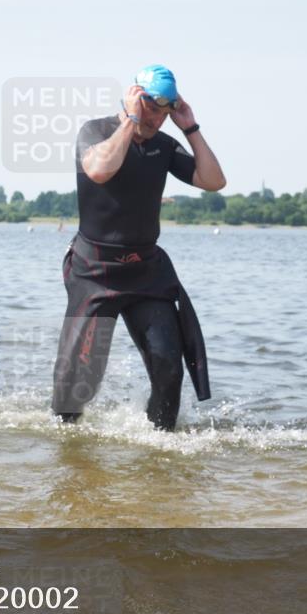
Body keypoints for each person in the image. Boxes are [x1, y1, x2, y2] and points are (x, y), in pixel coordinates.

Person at [51, 65, 226, 431]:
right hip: (94, 272)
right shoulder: (96, 131)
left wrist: (189, 127)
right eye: (150, 107)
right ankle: (69, 449)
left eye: (165, 111)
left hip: (146, 272)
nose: (157, 118)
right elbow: (99, 170)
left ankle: (160, 447)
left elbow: (213, 181)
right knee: (79, 382)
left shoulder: (163, 145)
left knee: (168, 367)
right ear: (134, 96)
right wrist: (130, 121)